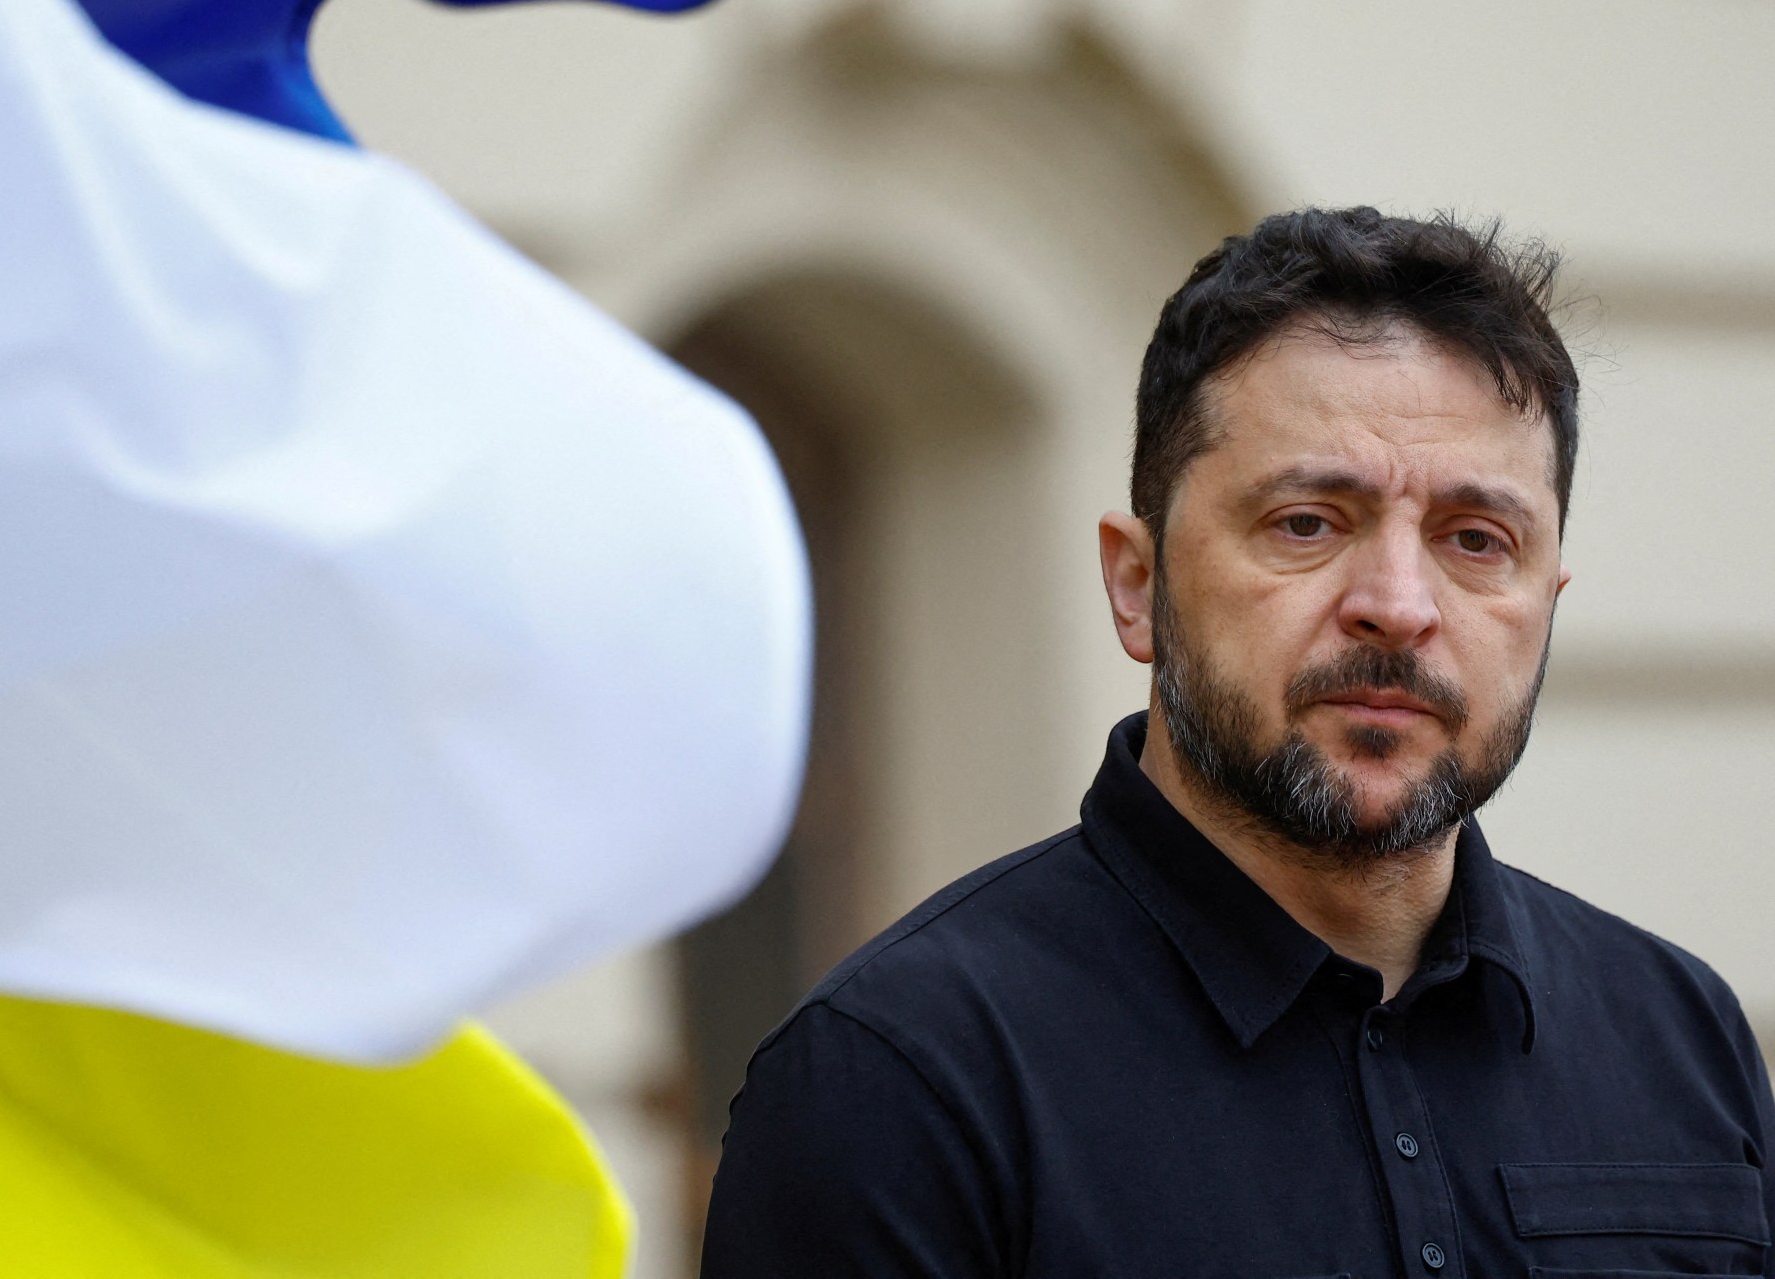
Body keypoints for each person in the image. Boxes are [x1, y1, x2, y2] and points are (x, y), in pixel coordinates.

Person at [701, 207, 1775, 1278]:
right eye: (1307, 522)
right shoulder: (900, 1081)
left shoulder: (1681, 1038)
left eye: (1476, 540)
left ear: (1547, 601)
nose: (1399, 606)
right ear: (1138, 585)